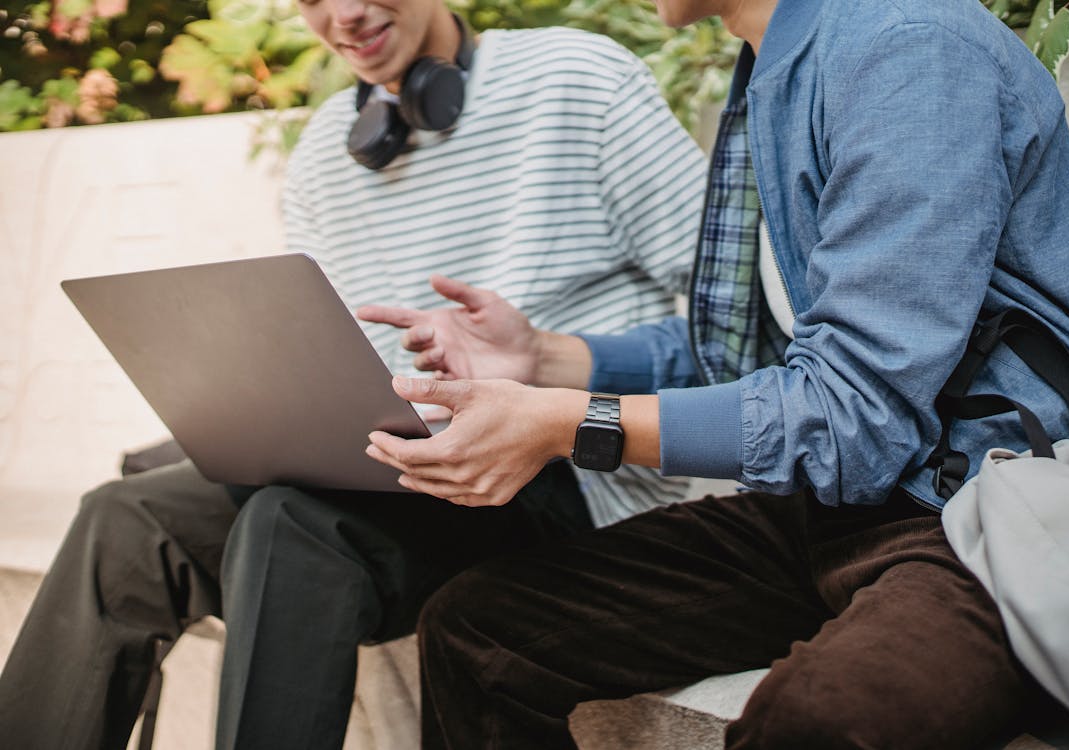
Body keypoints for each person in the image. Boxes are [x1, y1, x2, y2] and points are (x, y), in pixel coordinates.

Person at [354, 0, 1069, 747]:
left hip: (988, 506)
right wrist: (544, 360)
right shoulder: (778, 59)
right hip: (839, 502)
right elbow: (760, 347)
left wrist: (572, 424)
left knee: (824, 719)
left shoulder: (905, 47)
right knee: (479, 627)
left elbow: (851, 414)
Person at [0, 1, 707, 748]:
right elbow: (332, 360)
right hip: (394, 471)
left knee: (292, 523)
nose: (343, 13)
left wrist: (547, 354)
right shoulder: (321, 158)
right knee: (125, 514)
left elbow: (735, 328)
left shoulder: (576, 77)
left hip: (564, 472)